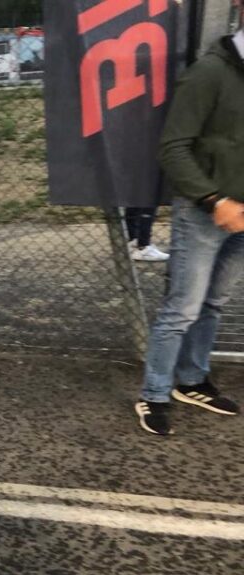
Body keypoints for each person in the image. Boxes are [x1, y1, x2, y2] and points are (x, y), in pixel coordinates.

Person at [134, 12, 244, 436]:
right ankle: (154, 393)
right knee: (182, 309)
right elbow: (173, 148)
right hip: (205, 213)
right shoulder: (209, 72)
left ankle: (192, 381)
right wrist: (214, 199)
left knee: (213, 304)